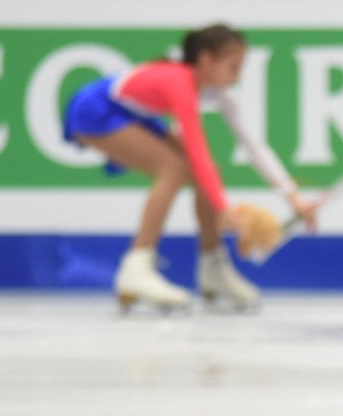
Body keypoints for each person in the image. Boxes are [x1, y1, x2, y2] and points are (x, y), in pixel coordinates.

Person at [63, 24, 319, 311]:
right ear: (206, 60)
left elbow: (254, 145)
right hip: (96, 110)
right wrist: (223, 208)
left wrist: (292, 196)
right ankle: (136, 266)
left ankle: (213, 266)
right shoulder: (180, 82)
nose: (238, 75)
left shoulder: (215, 93)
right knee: (172, 168)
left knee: (206, 174)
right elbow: (198, 150)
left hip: (132, 115)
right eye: (233, 66)